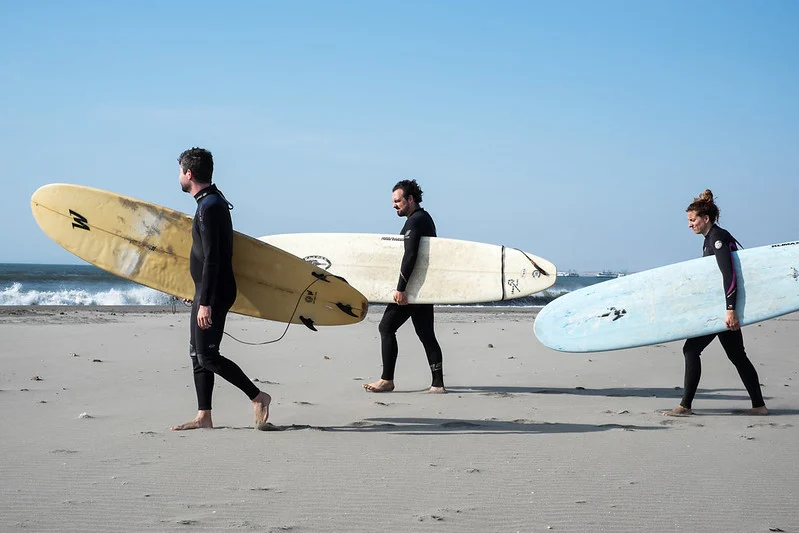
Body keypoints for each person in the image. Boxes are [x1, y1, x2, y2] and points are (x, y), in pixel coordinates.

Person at [171, 147, 272, 430]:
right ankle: (204, 416)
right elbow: (204, 256)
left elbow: (215, 257)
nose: (178, 176)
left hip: (214, 294)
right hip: (206, 291)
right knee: (196, 353)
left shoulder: (210, 206)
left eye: (180, 171)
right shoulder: (208, 203)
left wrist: (205, 302)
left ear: (189, 174)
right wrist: (197, 292)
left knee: (208, 355)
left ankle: (258, 396)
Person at [663, 189, 768, 416]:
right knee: (737, 356)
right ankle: (759, 405)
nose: (689, 225)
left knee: (691, 350)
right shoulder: (710, 239)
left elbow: (729, 275)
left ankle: (685, 406)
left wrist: (730, 310)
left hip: (723, 311)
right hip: (721, 309)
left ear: (706, 218)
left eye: (692, 220)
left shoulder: (717, 238)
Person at [364, 179, 445, 393]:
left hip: (412, 288)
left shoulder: (415, 221)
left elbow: (410, 256)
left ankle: (387, 380)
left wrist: (401, 288)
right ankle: (437, 384)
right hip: (424, 288)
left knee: (386, 327)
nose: (394, 205)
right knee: (426, 333)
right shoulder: (424, 218)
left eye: (398, 200)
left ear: (410, 199)